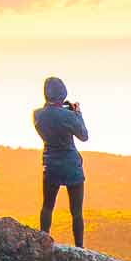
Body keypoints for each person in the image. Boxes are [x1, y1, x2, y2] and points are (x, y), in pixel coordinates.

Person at [33, 76, 88, 246]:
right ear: (63, 94)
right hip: (71, 166)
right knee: (76, 212)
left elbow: (50, 115)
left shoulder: (37, 114)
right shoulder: (69, 116)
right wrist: (77, 114)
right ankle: (80, 247)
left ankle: (43, 240)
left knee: (47, 206)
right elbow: (84, 136)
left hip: (51, 165)